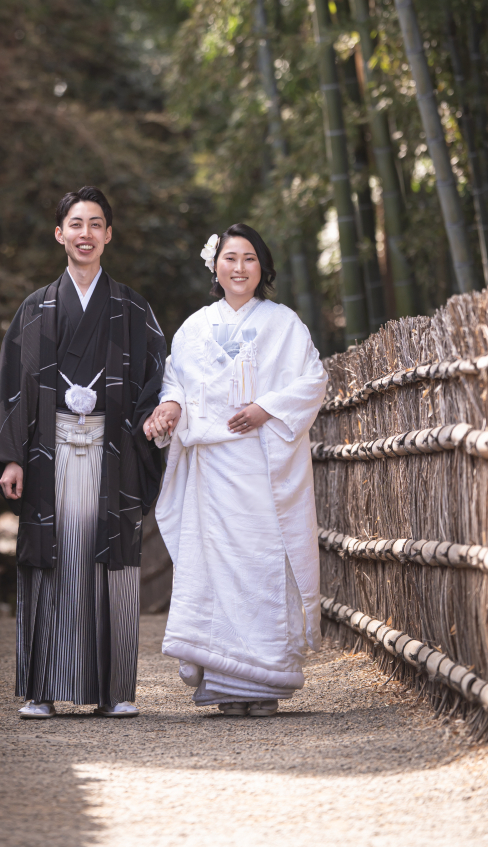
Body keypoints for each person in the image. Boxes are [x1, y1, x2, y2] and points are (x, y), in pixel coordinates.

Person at [0, 186, 166, 719]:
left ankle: (114, 690)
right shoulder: (34, 308)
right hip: (48, 450)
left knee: (110, 562)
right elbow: (12, 385)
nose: (85, 233)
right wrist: (13, 455)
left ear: (109, 234)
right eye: (75, 223)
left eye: (96, 224)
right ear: (59, 233)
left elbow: (156, 379)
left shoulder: (133, 308)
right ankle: (42, 688)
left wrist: (145, 421)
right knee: (48, 558)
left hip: (112, 451)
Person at [144, 225, 328, 716]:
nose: (240, 267)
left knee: (263, 566)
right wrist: (170, 408)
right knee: (215, 567)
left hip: (263, 466)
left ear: (262, 268)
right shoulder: (194, 327)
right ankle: (223, 682)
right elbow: (175, 381)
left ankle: (263, 679)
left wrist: (267, 408)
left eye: (250, 258)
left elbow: (313, 380)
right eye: (230, 258)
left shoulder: (284, 323)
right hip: (211, 469)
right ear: (216, 266)